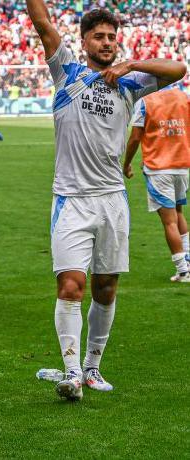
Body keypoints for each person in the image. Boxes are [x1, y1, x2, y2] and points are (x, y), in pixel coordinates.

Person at [27, 1, 186, 401]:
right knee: (71, 285)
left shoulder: (131, 83)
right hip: (71, 199)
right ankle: (72, 372)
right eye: (98, 36)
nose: (107, 42)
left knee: (107, 287)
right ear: (83, 42)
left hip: (112, 199)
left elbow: (178, 69)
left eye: (112, 37)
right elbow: (42, 21)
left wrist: (131, 65)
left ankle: (94, 367)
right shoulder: (67, 71)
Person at [122, 86, 190, 282]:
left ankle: (182, 270)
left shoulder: (146, 100)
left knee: (169, 221)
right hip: (181, 166)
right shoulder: (182, 96)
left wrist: (126, 164)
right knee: (178, 214)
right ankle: (188, 262)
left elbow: (135, 137)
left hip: (159, 169)